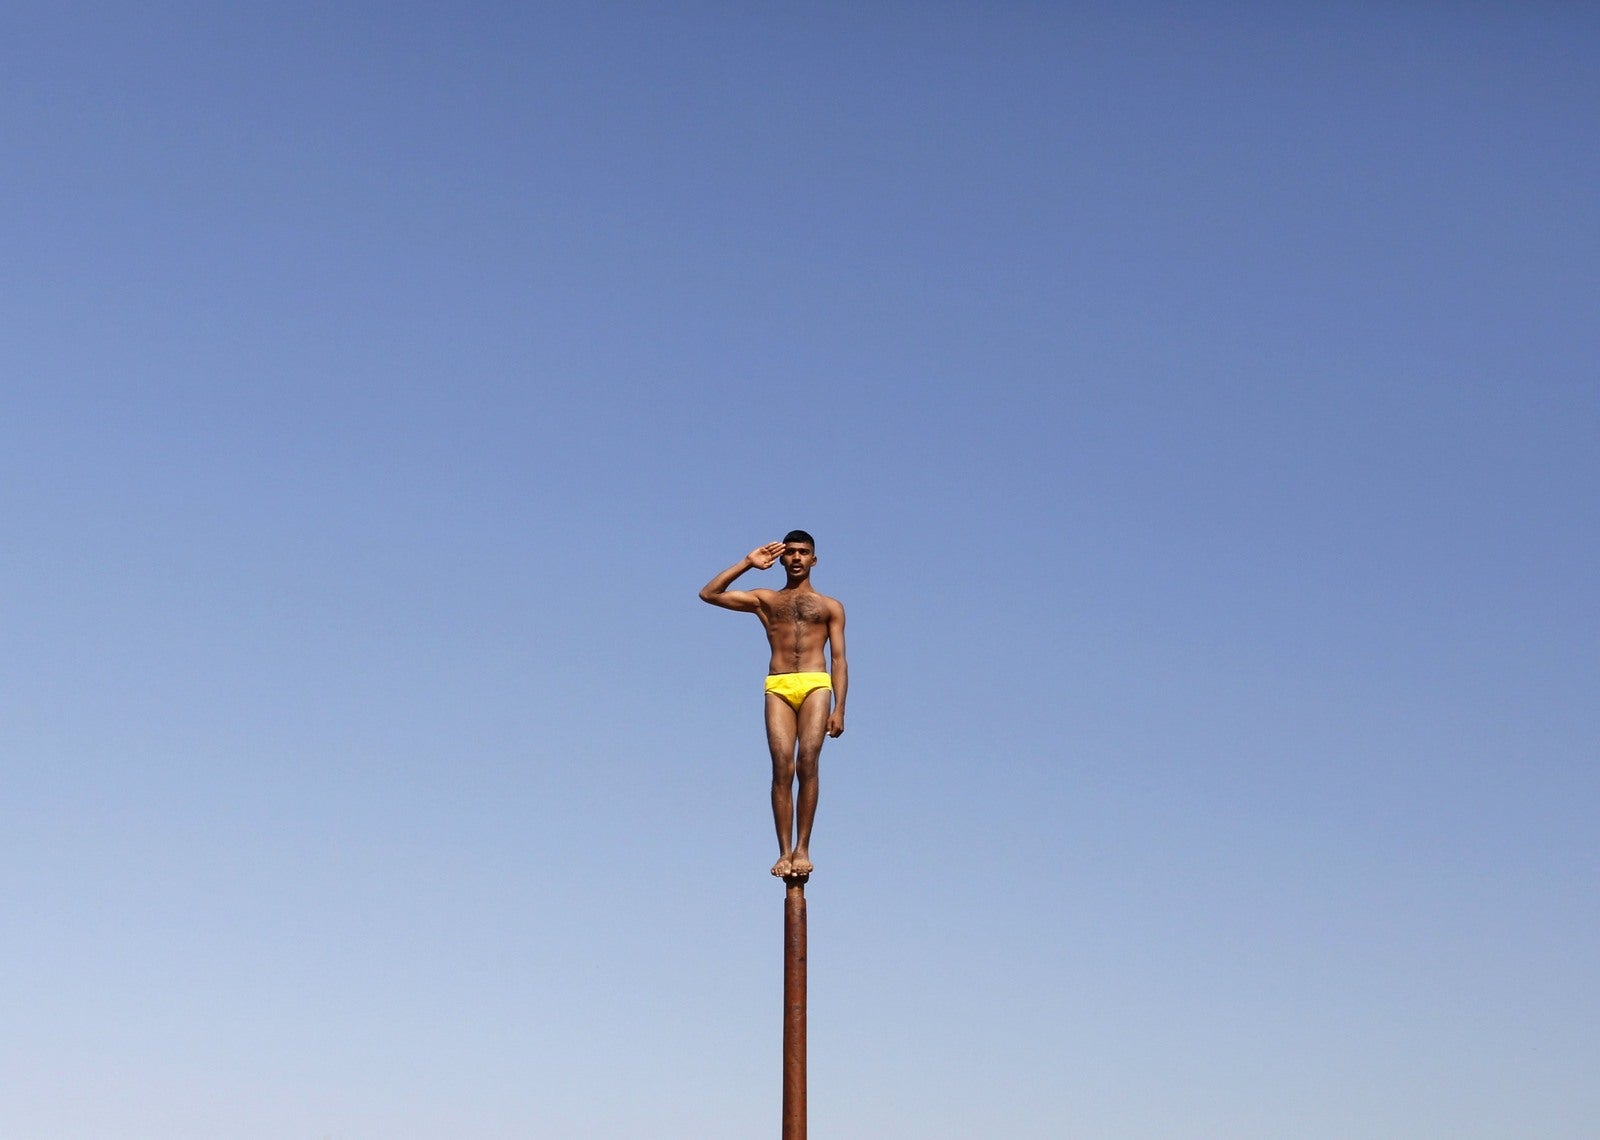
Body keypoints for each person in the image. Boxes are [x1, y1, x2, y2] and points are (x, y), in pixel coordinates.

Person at [699, 530, 847, 878]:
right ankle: (783, 851)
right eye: (790, 552)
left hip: (815, 682)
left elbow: (839, 659)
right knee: (782, 766)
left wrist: (840, 707)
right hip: (778, 684)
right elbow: (709, 594)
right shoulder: (766, 600)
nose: (796, 557)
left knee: (807, 760)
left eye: (803, 552)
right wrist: (747, 563)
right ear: (781, 559)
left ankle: (802, 848)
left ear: (814, 560)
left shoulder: (830, 606)